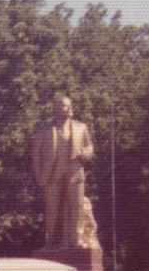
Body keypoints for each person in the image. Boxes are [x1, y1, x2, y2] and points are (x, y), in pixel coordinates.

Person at [31, 94, 99, 249]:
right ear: (56, 108)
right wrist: (39, 175)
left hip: (75, 173)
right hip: (53, 174)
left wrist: (86, 153)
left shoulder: (81, 127)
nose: (68, 108)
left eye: (69, 105)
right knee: (53, 209)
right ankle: (52, 241)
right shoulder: (45, 130)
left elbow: (89, 146)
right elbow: (36, 153)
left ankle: (75, 239)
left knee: (76, 207)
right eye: (64, 105)